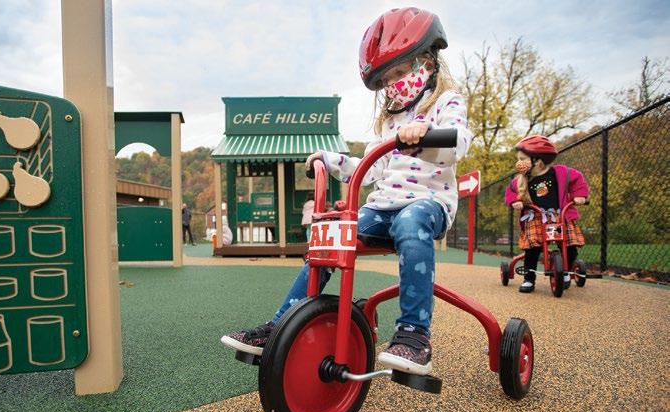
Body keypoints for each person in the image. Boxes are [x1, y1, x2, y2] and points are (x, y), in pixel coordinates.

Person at [221, 7, 471, 376]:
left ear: (428, 63)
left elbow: (459, 144)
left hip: (427, 203)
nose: (393, 83)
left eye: (400, 72)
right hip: (383, 206)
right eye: (386, 78)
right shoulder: (390, 120)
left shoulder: (447, 102)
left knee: (411, 221)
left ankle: (414, 336)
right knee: (332, 234)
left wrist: (425, 136)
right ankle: (282, 324)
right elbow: (370, 168)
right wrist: (329, 159)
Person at [505, 135, 590, 293]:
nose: (519, 163)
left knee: (570, 246)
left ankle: (566, 271)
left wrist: (580, 196)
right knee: (532, 249)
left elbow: (578, 180)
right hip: (535, 216)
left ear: (538, 160)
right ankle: (529, 278)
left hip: (559, 216)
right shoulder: (520, 180)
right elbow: (510, 192)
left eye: (522, 159)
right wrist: (515, 201)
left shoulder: (560, 172)